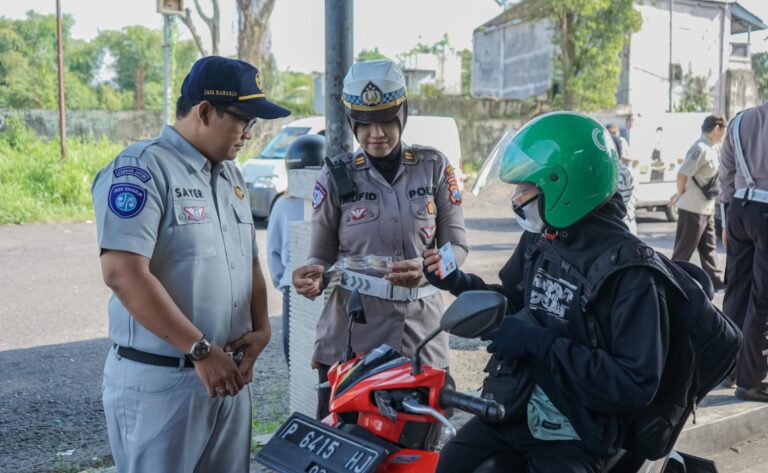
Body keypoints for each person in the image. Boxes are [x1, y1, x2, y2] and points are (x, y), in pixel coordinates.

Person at [424, 113, 669, 473]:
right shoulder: (541, 240)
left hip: (576, 428)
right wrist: (456, 282)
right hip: (515, 405)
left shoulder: (631, 273)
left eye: (524, 187)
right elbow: (511, 305)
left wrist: (541, 343)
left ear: (561, 186)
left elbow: (634, 384)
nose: (516, 197)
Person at [91, 56, 289, 473]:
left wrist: (262, 329)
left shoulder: (232, 176)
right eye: (244, 121)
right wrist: (199, 350)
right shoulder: (143, 168)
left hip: (227, 377)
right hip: (164, 384)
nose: (249, 134)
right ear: (205, 111)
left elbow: (249, 261)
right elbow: (122, 274)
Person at [292, 60, 468, 419]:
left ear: (403, 114)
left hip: (421, 338)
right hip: (354, 340)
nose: (377, 133)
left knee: (419, 439)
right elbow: (320, 256)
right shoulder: (336, 176)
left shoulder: (434, 167)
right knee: (350, 440)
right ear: (351, 122)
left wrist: (430, 270)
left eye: (387, 120)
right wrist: (312, 276)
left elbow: (459, 248)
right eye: (365, 123)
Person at [719, 103, 768, 402]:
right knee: (763, 300)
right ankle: (752, 380)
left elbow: (726, 174)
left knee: (736, 292)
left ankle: (727, 368)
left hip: (738, 207)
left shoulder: (740, 121)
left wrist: (726, 220)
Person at [266, 134, 325, 366]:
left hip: (294, 287)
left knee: (297, 359)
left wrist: (284, 282)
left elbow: (273, 252)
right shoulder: (331, 201)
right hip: (326, 285)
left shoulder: (282, 203)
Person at [669, 114, 726, 290]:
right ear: (716, 129)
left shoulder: (712, 148)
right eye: (723, 130)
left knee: (709, 248)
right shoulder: (700, 148)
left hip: (705, 207)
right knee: (684, 249)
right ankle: (671, 280)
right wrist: (680, 193)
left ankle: (717, 281)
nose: (724, 134)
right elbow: (682, 174)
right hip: (692, 208)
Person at [607, 123, 638, 234]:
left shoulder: (621, 173)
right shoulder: (625, 170)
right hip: (626, 224)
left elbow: (620, 206)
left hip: (622, 226)